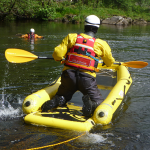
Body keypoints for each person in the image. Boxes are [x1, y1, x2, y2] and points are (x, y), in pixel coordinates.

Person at [41, 15, 115, 117]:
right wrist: (106, 62)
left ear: (85, 26)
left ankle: (59, 100)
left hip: (69, 76)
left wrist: (60, 58)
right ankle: (93, 104)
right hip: (87, 80)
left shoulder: (72, 37)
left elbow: (57, 54)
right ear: (97, 28)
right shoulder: (101, 44)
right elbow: (110, 63)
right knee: (99, 102)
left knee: (63, 95)